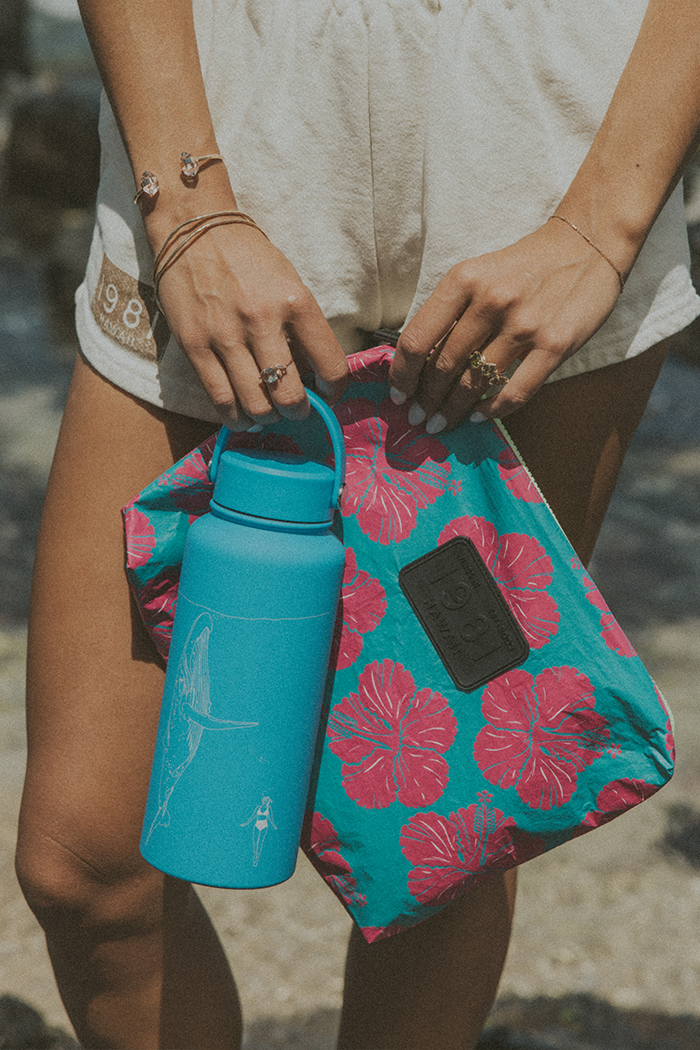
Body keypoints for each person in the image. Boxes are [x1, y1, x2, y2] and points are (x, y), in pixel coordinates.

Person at [14, 0, 700, 1047]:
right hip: (224, 120)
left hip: (550, 145)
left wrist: (601, 224)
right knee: (86, 858)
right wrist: (187, 208)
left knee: (455, 821)